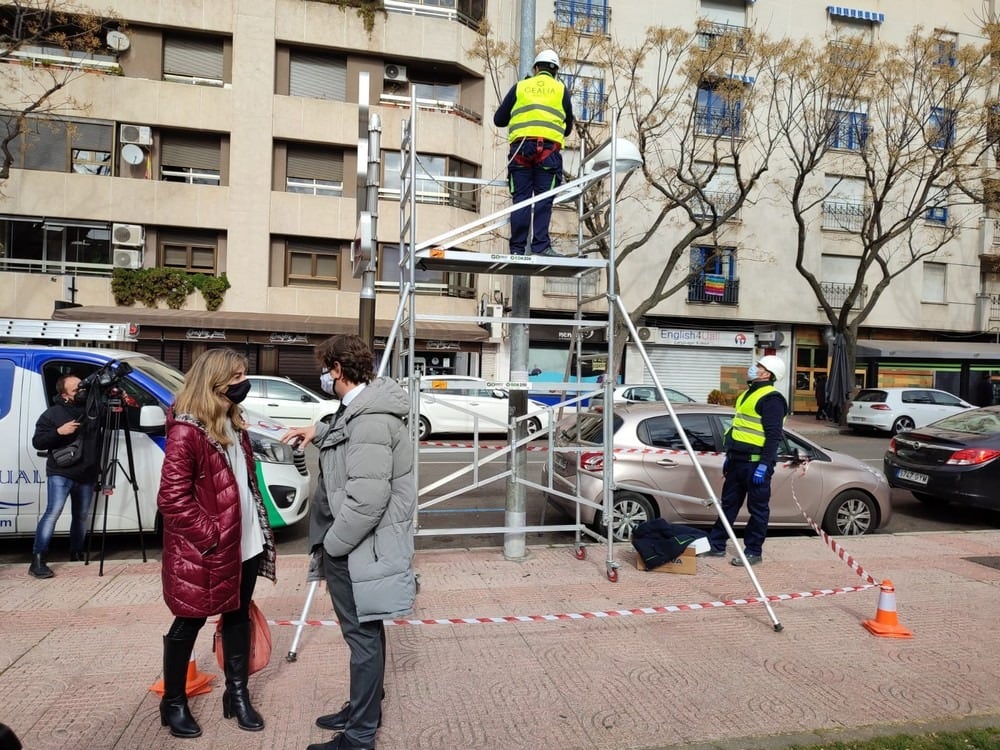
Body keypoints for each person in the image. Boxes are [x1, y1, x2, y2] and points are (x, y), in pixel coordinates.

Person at [281, 334, 416, 750]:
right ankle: (364, 704)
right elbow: (343, 431)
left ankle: (359, 735)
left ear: (337, 369)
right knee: (367, 631)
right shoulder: (361, 410)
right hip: (359, 547)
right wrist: (314, 430)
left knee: (361, 636)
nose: (324, 376)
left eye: (326, 368)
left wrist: (333, 545)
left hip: (357, 548)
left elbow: (367, 500)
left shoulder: (372, 420)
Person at [156, 348, 276, 739]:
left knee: (237, 615)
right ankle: (173, 701)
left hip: (245, 544)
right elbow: (171, 498)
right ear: (214, 381)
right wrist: (211, 537)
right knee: (188, 621)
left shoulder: (233, 422)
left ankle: (236, 694)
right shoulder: (187, 431)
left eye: (244, 375)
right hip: (204, 550)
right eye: (236, 376)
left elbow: (242, 484)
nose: (244, 383)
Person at [705, 354, 788, 567]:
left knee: (758, 509)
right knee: (728, 505)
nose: (754, 367)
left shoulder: (772, 399)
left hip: (756, 463)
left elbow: (773, 436)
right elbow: (737, 427)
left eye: (759, 366)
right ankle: (716, 545)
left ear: (767, 373)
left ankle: (753, 551)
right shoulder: (746, 395)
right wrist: (729, 456)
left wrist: (763, 465)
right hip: (737, 461)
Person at [493, 48, 575, 257]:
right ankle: (540, 246)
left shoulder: (520, 87)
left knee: (521, 198)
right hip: (548, 152)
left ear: (536, 68)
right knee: (543, 199)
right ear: (555, 71)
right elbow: (567, 128)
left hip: (520, 150)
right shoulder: (560, 90)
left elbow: (499, 119)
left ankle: (517, 249)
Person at [28, 374, 100, 579]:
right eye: (77, 389)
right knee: (53, 513)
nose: (82, 391)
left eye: (83, 387)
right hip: (61, 473)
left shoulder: (92, 410)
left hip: (86, 474)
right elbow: (38, 442)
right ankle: (38, 560)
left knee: (81, 517)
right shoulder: (52, 414)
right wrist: (59, 431)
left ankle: (76, 554)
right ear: (64, 394)